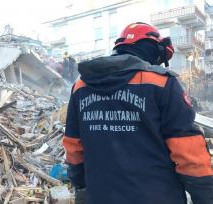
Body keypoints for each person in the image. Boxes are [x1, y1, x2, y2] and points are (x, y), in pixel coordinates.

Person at [63, 22, 213, 204]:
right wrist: (205, 196)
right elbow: (188, 150)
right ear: (154, 50)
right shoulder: (161, 83)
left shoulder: (81, 87)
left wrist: (81, 185)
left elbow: (73, 146)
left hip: (101, 196)